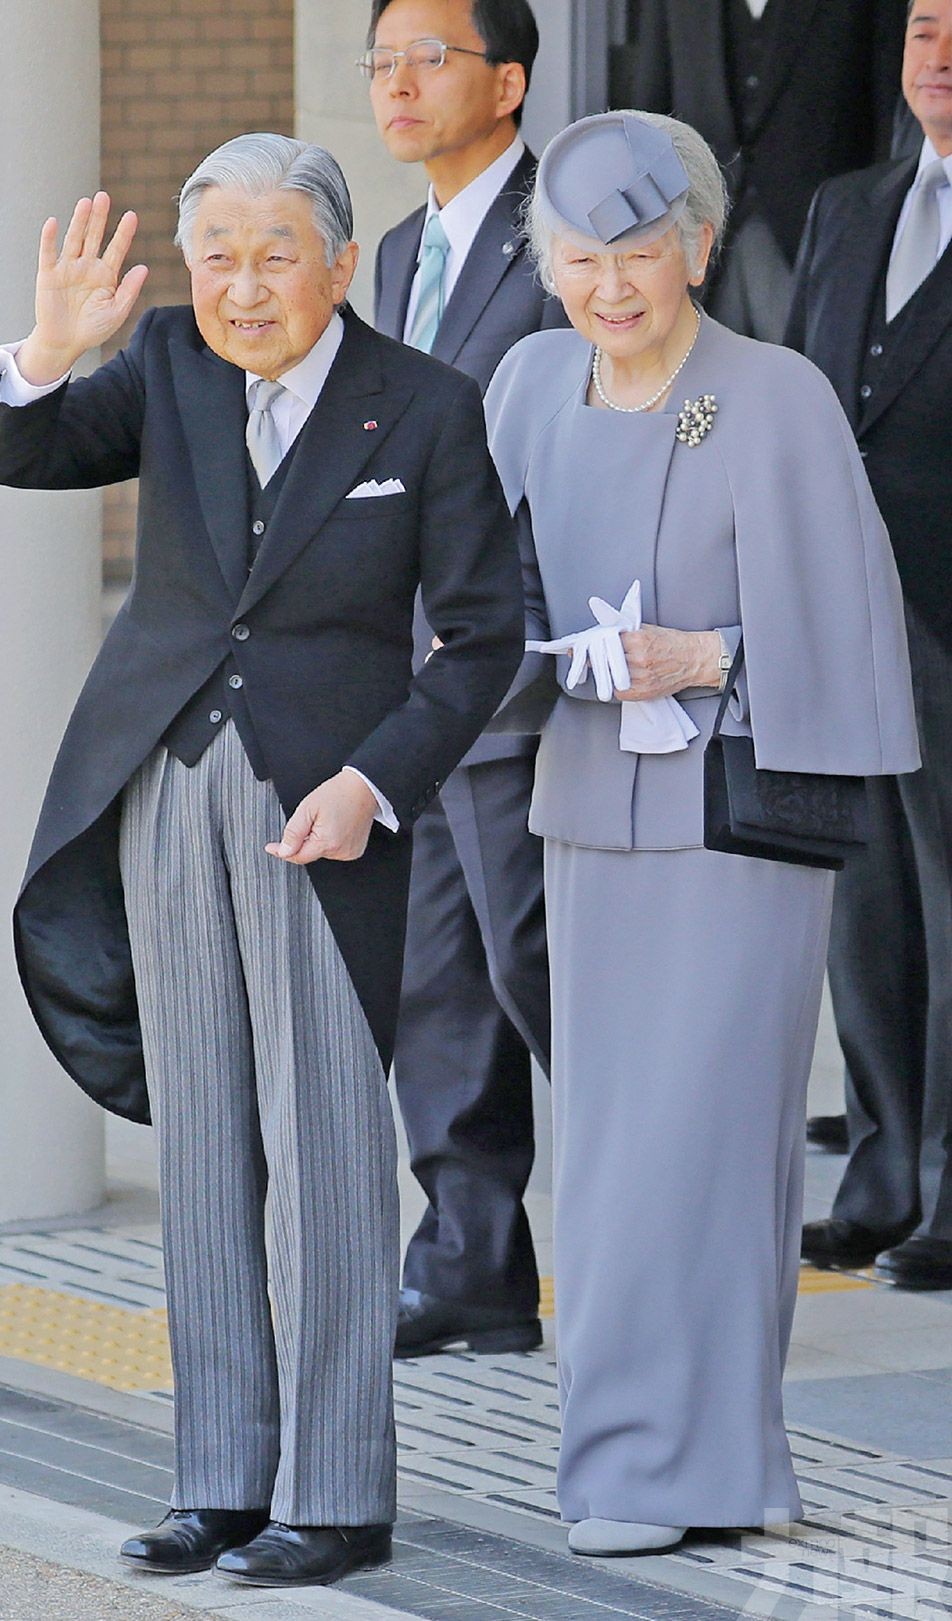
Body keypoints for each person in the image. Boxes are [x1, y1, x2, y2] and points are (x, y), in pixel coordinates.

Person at [0, 134, 523, 1588]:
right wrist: (45, 347)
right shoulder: (164, 364)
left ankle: (336, 1493)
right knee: (203, 1140)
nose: (244, 283)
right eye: (219, 254)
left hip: (327, 805)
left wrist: (376, 782)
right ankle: (219, 1475)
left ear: (342, 263)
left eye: (278, 252)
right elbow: (14, 449)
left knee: (332, 1148)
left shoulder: (429, 406)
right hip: (168, 780)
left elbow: (482, 640)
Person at [484, 111, 918, 1557]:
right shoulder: (532, 388)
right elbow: (475, 597)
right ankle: (617, 1460)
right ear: (547, 266)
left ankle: (719, 1468)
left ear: (700, 247)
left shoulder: (777, 395)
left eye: (643, 251)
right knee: (606, 1152)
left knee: (719, 1149)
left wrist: (711, 655)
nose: (614, 284)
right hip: (585, 818)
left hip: (737, 830)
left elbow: (853, 631)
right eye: (583, 256)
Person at [366, 0, 564, 1359]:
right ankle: (472, 1263)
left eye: (426, 58)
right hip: (413, 675)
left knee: (542, 967)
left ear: (508, 81)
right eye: (379, 61)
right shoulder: (392, 252)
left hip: (530, 669)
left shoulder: (571, 235)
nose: (396, 83)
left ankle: (668, 1224)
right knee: (435, 977)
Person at [790, 0, 952, 1290]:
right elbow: (793, 399)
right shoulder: (848, 206)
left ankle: (949, 1186)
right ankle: (886, 1174)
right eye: (923, 29)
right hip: (842, 610)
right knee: (869, 902)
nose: (937, 54)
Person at [632, 0, 904, 341]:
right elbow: (650, 109)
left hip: (819, 234)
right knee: (697, 377)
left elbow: (888, 110)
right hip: (699, 230)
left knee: (811, 380)